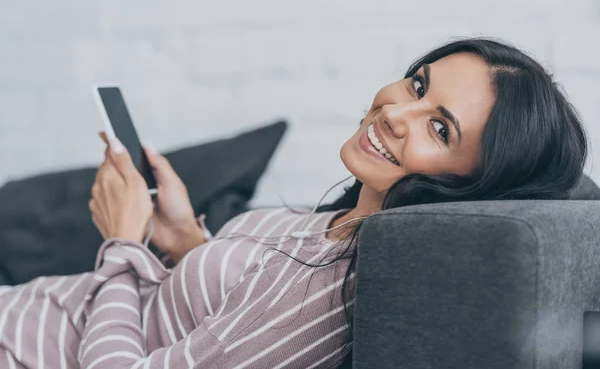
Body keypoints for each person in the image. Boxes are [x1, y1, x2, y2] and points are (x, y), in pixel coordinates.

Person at [0, 37, 588, 368]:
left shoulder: (324, 298)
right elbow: (231, 308)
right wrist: (183, 239)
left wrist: (122, 244)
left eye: (440, 129)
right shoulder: (338, 226)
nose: (393, 111)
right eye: (417, 85)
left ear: (475, 183)